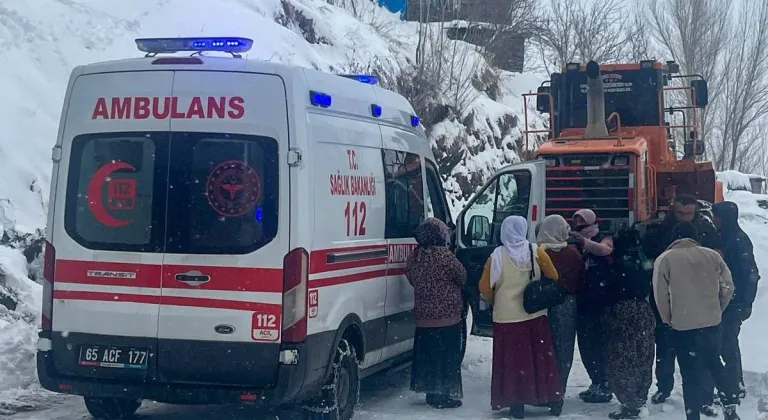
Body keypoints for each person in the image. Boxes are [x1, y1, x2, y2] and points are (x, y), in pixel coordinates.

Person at [652, 221, 740, 420]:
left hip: (683, 325)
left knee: (689, 374)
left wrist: (668, 319)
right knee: (715, 364)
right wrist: (718, 308)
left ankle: (693, 415)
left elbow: (660, 295)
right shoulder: (712, 255)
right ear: (695, 237)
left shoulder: (665, 259)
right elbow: (728, 286)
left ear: (674, 238)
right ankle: (730, 407)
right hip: (711, 322)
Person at [642, 194, 722, 412]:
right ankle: (664, 387)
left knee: (703, 355)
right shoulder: (659, 230)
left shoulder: (704, 229)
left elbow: (720, 264)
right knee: (665, 350)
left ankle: (705, 396)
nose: (685, 217)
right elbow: (648, 261)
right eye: (681, 213)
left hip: (698, 301)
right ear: (672, 210)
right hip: (668, 299)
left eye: (690, 213)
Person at [479, 216, 563, 419]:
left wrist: (494, 300)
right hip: (534, 314)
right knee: (540, 357)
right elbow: (554, 276)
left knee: (512, 361)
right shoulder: (536, 251)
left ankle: (515, 402)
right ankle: (551, 397)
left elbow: (484, 286)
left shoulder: (496, 256)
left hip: (507, 317)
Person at [406, 218, 467, 409]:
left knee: (429, 356)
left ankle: (431, 393)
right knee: (446, 357)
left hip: (424, 317)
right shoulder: (445, 256)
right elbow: (462, 276)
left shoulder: (414, 257)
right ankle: (444, 395)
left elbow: (410, 276)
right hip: (447, 317)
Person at [602, 225, 656, 419]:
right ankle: (639, 399)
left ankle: (628, 401)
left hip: (621, 313)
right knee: (642, 356)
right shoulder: (642, 261)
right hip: (643, 311)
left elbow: (608, 289)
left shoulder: (617, 264)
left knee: (621, 358)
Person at [712, 201, 761, 400]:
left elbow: (750, 272)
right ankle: (731, 384)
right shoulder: (721, 237)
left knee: (728, 345)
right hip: (722, 300)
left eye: (717, 216)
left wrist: (747, 301)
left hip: (734, 302)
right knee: (722, 344)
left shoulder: (738, 239)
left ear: (725, 217)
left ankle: (734, 385)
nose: (714, 219)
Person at [536, 215, 586, 396]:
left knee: (543, 347)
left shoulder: (538, 253)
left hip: (542, 305)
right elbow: (581, 279)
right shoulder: (573, 253)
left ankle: (542, 389)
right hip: (567, 305)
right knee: (563, 349)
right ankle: (558, 391)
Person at [570, 209, 614, 404]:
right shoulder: (576, 243)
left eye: (582, 220)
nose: (579, 223)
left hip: (600, 301)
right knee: (586, 346)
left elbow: (605, 250)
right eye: (576, 220)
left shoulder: (604, 238)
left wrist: (584, 242)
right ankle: (595, 381)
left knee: (599, 345)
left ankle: (604, 384)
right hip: (583, 301)